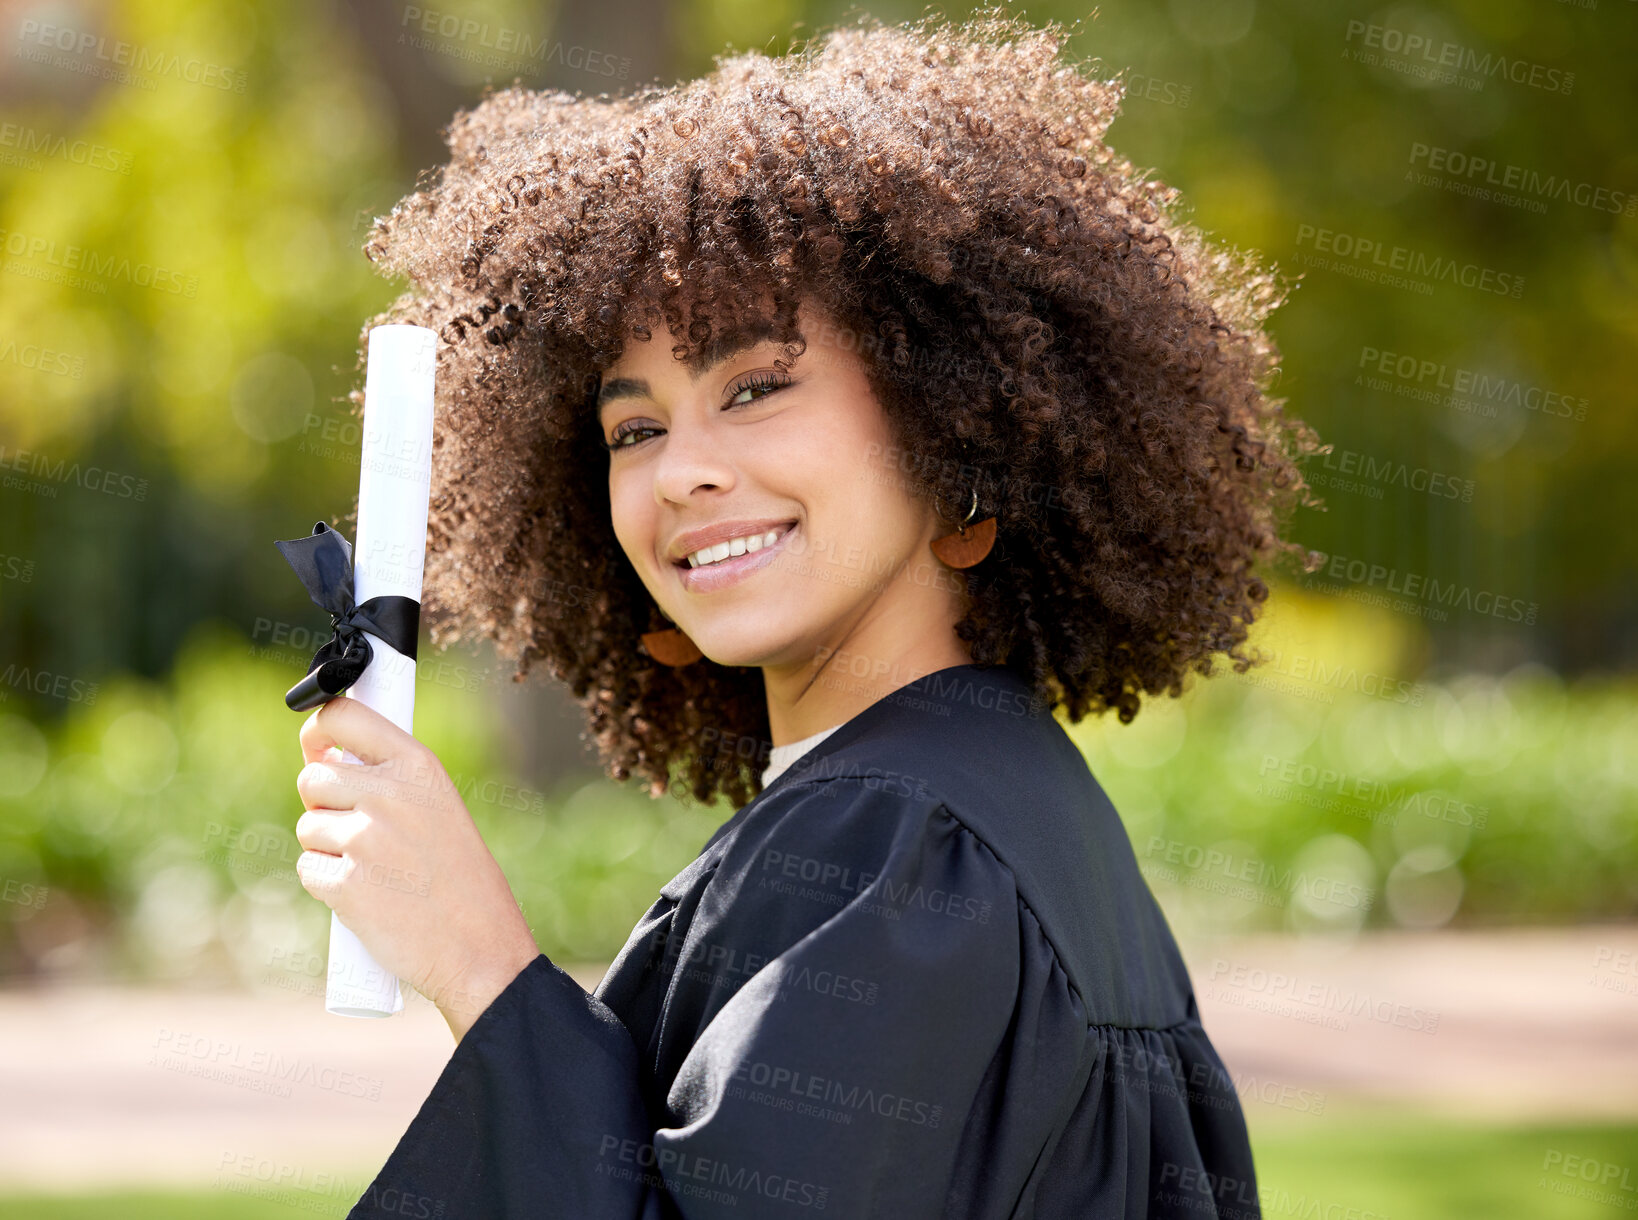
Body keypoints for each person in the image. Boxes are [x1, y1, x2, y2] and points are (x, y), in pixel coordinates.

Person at [291, 9, 1323, 1217]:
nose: (683, 470)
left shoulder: (893, 848)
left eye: (758, 386)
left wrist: (479, 961)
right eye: (635, 426)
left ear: (953, 423)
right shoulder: (1002, 800)